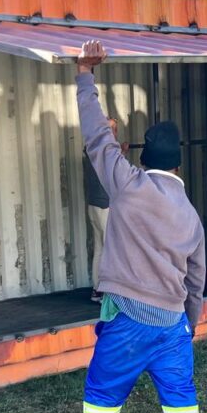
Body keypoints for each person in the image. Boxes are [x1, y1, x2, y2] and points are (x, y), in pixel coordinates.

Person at [50, 40, 207, 413]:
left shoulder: (128, 184)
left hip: (125, 322)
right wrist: (190, 326)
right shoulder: (192, 215)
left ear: (145, 157)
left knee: (101, 405)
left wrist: (84, 74)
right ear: (180, 166)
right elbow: (196, 283)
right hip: (172, 328)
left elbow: (98, 137)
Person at [83, 117, 123, 302]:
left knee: (100, 248)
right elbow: (116, 169)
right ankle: (111, 293)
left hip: (93, 205)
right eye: (111, 129)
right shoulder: (106, 150)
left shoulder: (91, 148)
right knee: (110, 249)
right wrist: (121, 151)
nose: (114, 133)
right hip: (104, 205)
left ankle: (97, 290)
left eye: (115, 129)